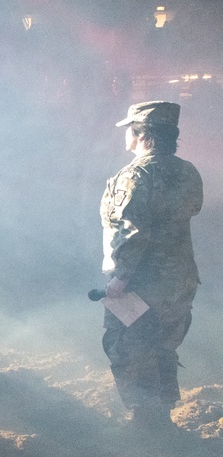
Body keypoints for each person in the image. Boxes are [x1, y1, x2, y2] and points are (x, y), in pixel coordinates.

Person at [100, 101, 202, 432]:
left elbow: (130, 232)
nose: (126, 135)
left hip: (142, 283)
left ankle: (146, 425)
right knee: (165, 345)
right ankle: (164, 417)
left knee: (129, 348)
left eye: (130, 129)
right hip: (180, 278)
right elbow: (193, 209)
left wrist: (120, 278)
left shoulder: (134, 175)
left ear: (142, 134)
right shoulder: (187, 171)